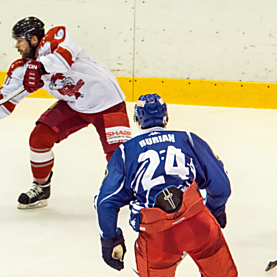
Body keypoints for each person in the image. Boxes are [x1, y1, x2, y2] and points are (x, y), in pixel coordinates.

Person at [0, 16, 130, 209]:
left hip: (107, 101)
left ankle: (123, 190)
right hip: (73, 104)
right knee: (39, 138)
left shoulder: (56, 40)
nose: (16, 46)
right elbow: (5, 97)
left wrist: (41, 68)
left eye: (19, 41)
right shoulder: (23, 68)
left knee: (119, 155)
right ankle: (42, 187)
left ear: (33, 39)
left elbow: (64, 58)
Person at [95, 93, 238, 277]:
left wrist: (110, 239)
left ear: (137, 120)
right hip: (198, 223)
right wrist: (215, 211)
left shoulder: (125, 152)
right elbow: (221, 187)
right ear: (166, 118)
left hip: (157, 236)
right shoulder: (188, 139)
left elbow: (105, 202)